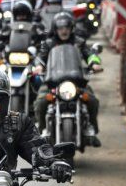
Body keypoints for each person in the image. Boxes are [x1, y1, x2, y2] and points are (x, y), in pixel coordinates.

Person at [33, 12, 102, 148]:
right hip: (53, 82)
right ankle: (42, 130)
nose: (64, 31)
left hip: (76, 82)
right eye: (60, 28)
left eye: (66, 27)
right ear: (55, 29)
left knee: (92, 100)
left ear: (71, 28)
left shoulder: (79, 42)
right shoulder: (48, 43)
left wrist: (94, 63)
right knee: (40, 102)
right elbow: (40, 58)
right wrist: (39, 67)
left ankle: (92, 129)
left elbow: (89, 55)